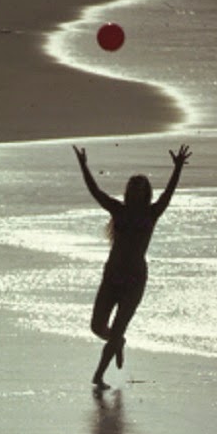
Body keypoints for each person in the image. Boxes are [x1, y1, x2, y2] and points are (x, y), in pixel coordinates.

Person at [73, 143, 191, 390]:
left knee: (117, 329)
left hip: (135, 280)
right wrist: (84, 166)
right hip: (112, 276)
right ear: (128, 191)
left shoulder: (153, 213)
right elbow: (95, 192)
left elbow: (169, 193)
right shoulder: (118, 210)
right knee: (96, 326)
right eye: (133, 188)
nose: (137, 192)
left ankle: (99, 375)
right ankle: (118, 342)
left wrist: (178, 168)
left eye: (141, 189)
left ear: (146, 193)